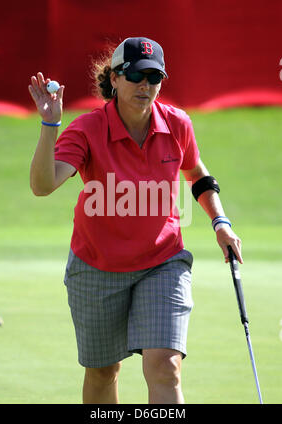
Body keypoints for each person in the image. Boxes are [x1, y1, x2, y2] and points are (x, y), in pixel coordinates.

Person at [28, 37, 242, 404]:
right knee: (103, 371)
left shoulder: (177, 124)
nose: (146, 86)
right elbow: (43, 186)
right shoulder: (86, 129)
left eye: (154, 77)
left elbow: (198, 175)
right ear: (114, 78)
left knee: (165, 367)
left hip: (162, 262)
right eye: (136, 75)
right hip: (96, 266)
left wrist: (220, 221)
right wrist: (51, 125)